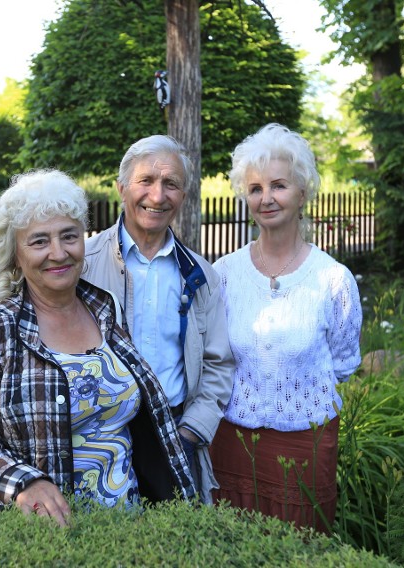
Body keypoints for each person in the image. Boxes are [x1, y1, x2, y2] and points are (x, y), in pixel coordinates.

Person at [0, 170, 195, 527]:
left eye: (68, 236)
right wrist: (22, 484)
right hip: (40, 539)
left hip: (130, 529)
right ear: (16, 256)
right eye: (39, 241)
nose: (58, 253)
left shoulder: (105, 310)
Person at [210, 123, 362, 532]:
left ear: (302, 192)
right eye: (255, 188)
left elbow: (345, 362)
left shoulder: (332, 280)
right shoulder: (224, 274)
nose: (266, 198)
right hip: (232, 439)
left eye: (278, 185)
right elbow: (214, 356)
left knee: (302, 546)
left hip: (304, 443)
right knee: (232, 544)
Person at [83, 135, 234, 503]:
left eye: (171, 184)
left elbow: (218, 365)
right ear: (121, 188)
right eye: (145, 181)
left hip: (174, 432)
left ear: (183, 195)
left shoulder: (200, 275)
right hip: (98, 434)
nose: (158, 195)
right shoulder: (82, 263)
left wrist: (191, 432)